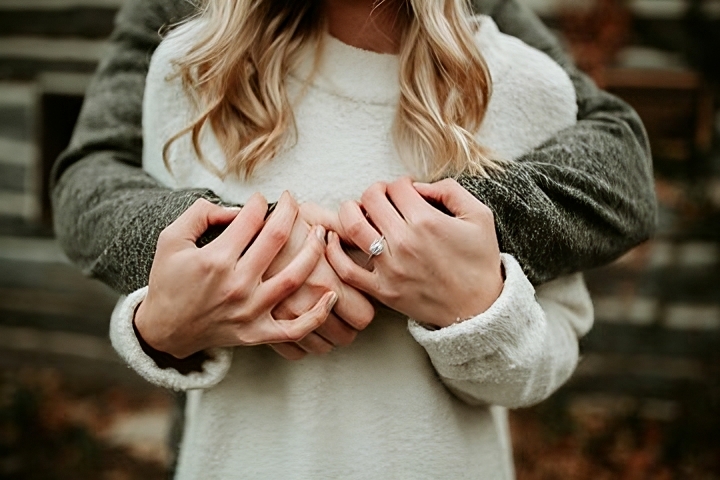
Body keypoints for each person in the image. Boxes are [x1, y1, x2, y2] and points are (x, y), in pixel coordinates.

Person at [89, 0, 640, 478]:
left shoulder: (525, 86)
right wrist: (157, 328)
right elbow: (168, 300)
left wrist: (475, 312)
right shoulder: (191, 72)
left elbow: (553, 346)